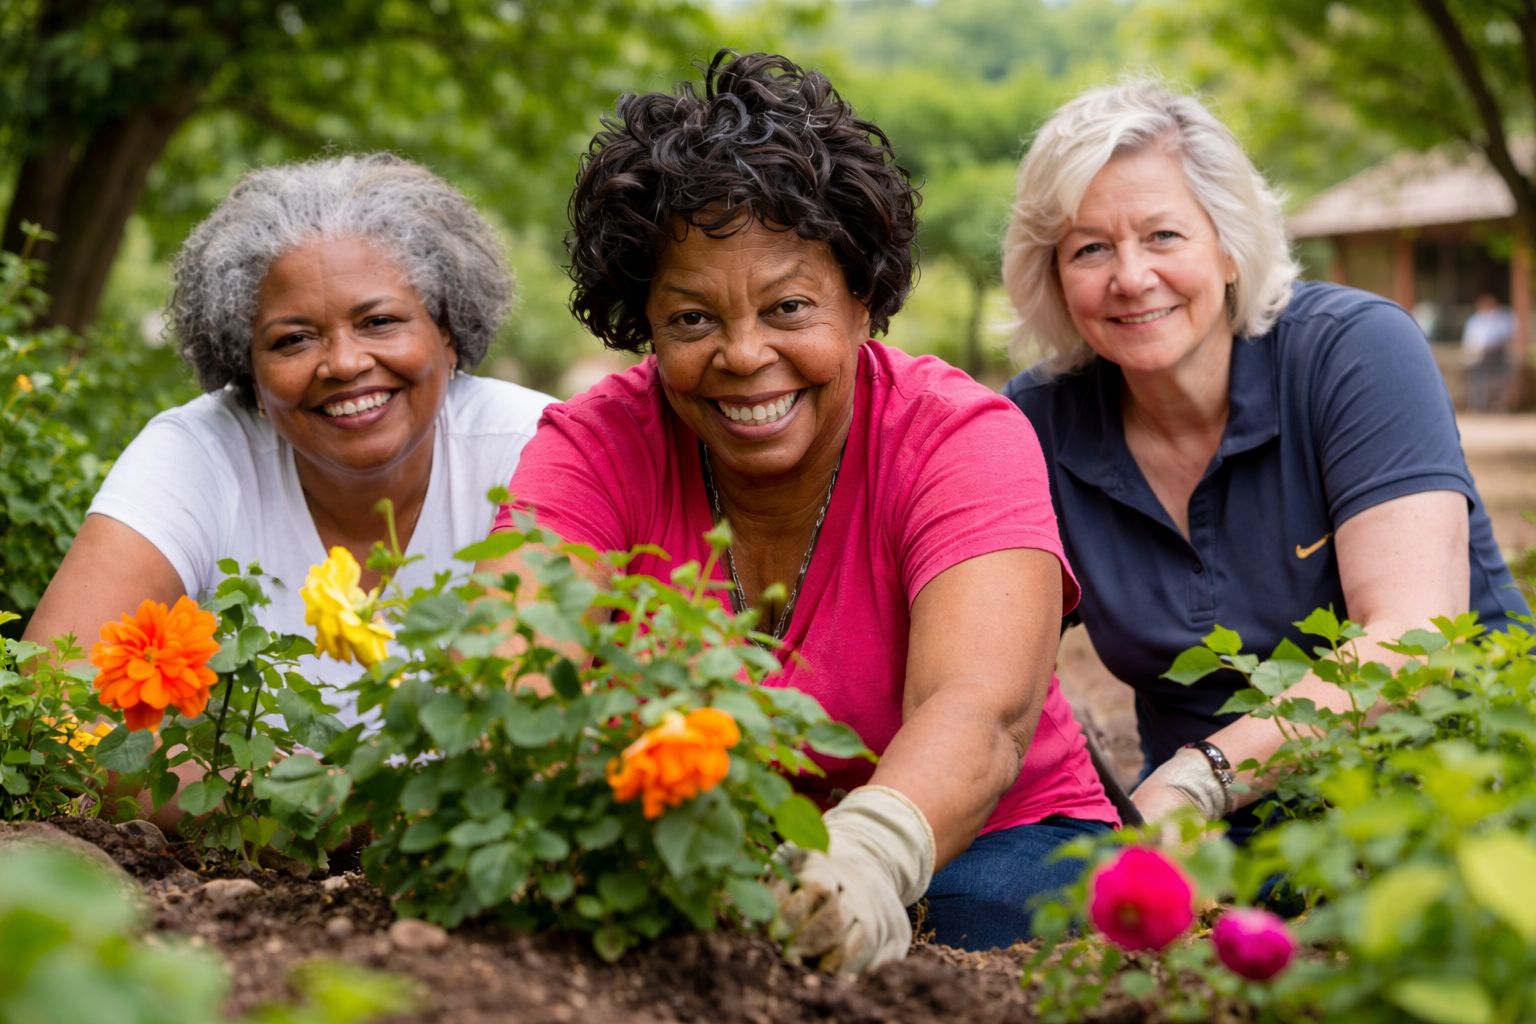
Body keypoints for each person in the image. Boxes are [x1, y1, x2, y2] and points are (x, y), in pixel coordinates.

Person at [481, 51, 1119, 967]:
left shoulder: (959, 438)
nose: (744, 355)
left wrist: (864, 856)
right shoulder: (594, 448)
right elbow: (518, 664)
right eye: (692, 320)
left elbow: (978, 708)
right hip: (700, 836)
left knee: (966, 935)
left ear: (864, 302)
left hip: (981, 837)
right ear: (645, 326)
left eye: (789, 307)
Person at [1001, 82, 1528, 843]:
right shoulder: (1038, 424)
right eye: (1090, 248)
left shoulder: (1355, 352)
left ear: (1228, 247)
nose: (1130, 276)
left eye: (1163, 236)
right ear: (1052, 275)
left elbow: (1413, 637)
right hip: (1221, 847)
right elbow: (986, 662)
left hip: (1453, 796)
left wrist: (1190, 784)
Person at [27, 154, 554, 728]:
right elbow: (48, 699)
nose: (346, 363)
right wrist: (290, 802)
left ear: (447, 335)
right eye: (293, 340)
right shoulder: (195, 454)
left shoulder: (536, 445)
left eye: (379, 322)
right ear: (246, 373)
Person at [1462, 293, 1514, 412]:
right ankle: (1479, 404)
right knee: (1479, 378)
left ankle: (1498, 404)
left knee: (1499, 377)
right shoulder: (1475, 320)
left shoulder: (1501, 319)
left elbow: (1507, 337)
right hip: (1479, 358)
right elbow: (1470, 342)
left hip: (1498, 357)